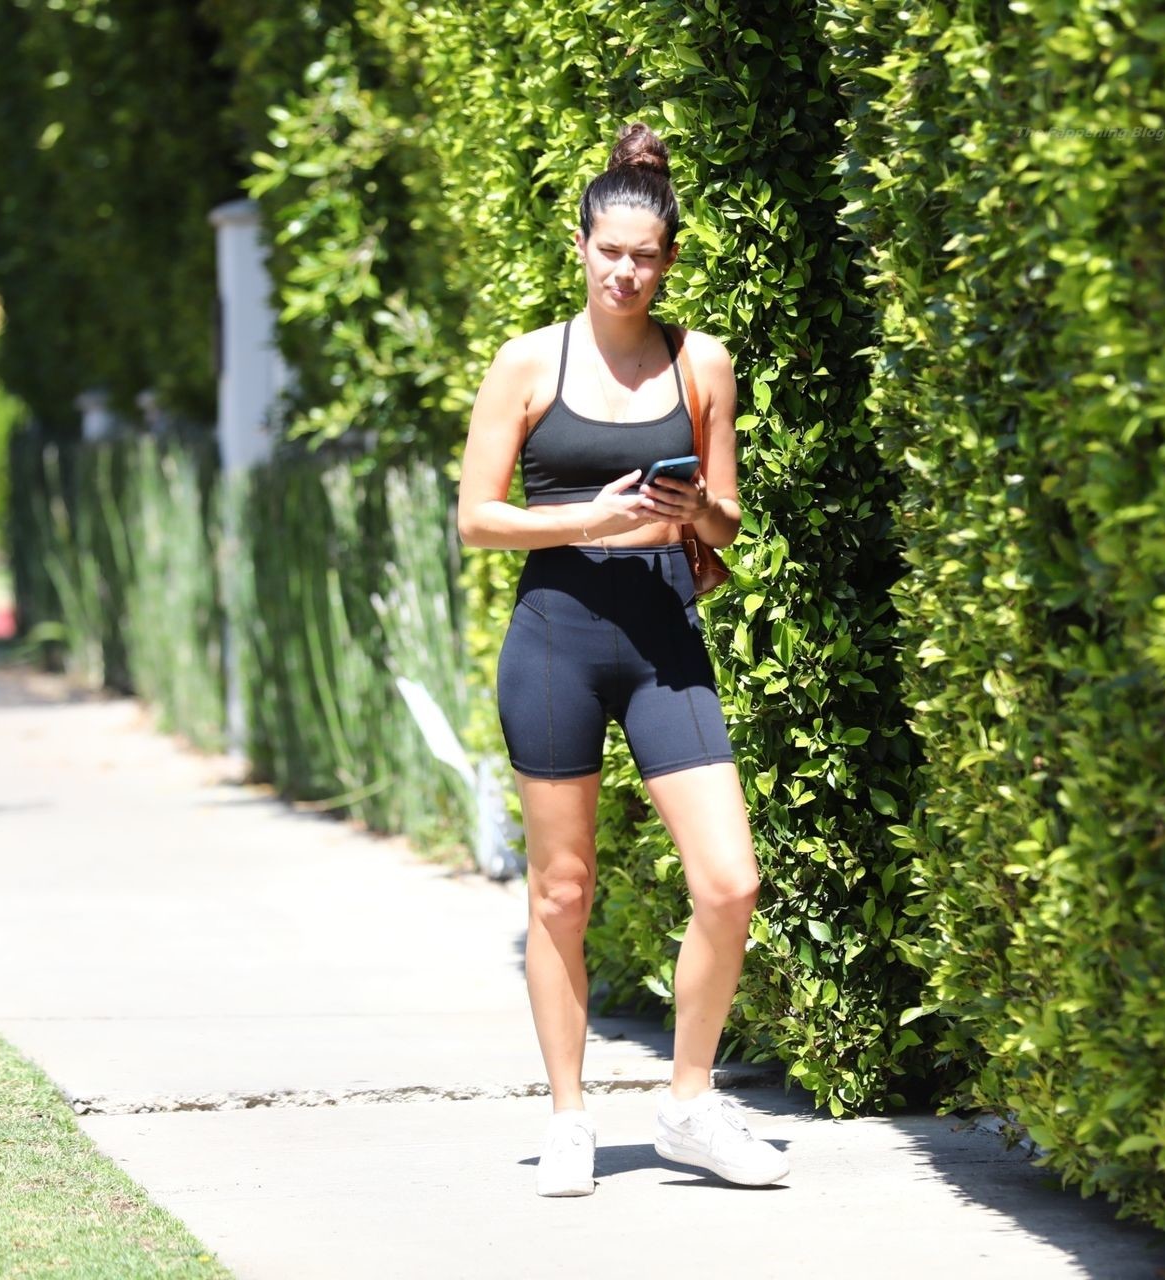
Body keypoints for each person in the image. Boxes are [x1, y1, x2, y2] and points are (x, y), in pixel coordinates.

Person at [455, 122, 791, 1197]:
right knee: (562, 890)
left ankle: (689, 1104)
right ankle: (569, 1117)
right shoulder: (526, 362)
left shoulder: (702, 362)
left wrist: (696, 508)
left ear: (670, 259)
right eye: (609, 252)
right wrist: (584, 519)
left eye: (645, 257)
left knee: (730, 881)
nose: (625, 273)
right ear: (581, 246)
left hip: (660, 635)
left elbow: (728, 520)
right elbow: (476, 519)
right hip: (555, 631)